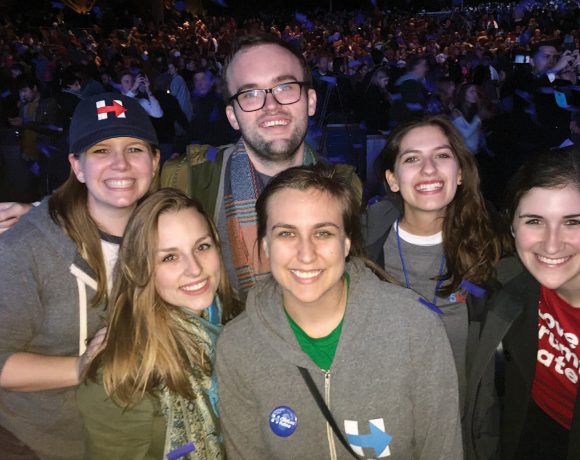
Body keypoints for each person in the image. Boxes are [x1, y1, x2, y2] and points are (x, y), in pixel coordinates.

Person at [216, 164, 462, 459]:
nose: (306, 254)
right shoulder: (237, 346)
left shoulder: (416, 328)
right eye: (286, 233)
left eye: (322, 233)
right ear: (266, 245)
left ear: (346, 243)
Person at [0, 92, 160, 459]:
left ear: (154, 161)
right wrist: (78, 367)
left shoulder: (168, 232)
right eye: (101, 150)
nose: (120, 164)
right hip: (38, 442)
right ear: (77, 166)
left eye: (134, 149)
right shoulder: (27, 247)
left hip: (132, 436)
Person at [160, 32, 361, 295]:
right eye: (251, 94)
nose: (271, 105)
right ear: (232, 116)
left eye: (285, 87)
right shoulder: (186, 183)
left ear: (310, 101)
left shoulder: (347, 188)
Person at [365, 115, 506, 457]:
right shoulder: (360, 249)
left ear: (459, 173)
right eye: (412, 158)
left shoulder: (494, 251)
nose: (429, 169)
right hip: (380, 436)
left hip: (459, 436)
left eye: (442, 155)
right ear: (392, 179)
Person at [78, 188, 241, 460]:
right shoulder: (124, 374)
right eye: (170, 257)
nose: (195, 269)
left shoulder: (237, 321)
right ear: (141, 268)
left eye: (202, 247)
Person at [469, 148, 580, 460]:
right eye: (534, 221)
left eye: (573, 222)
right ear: (513, 226)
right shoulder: (508, 288)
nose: (552, 244)